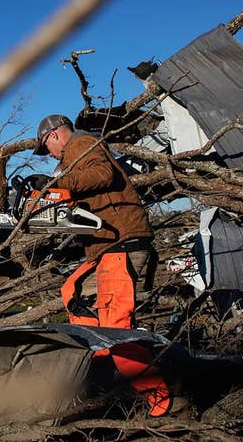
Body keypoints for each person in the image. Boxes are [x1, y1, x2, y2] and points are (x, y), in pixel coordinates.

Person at [33, 114, 172, 416]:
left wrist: (58, 183)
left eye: (48, 148)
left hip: (121, 243)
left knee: (114, 327)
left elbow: (102, 174)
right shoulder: (75, 153)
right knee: (75, 294)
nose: (51, 156)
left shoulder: (80, 143)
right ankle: (100, 377)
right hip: (106, 248)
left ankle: (162, 399)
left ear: (54, 135)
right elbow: (88, 196)